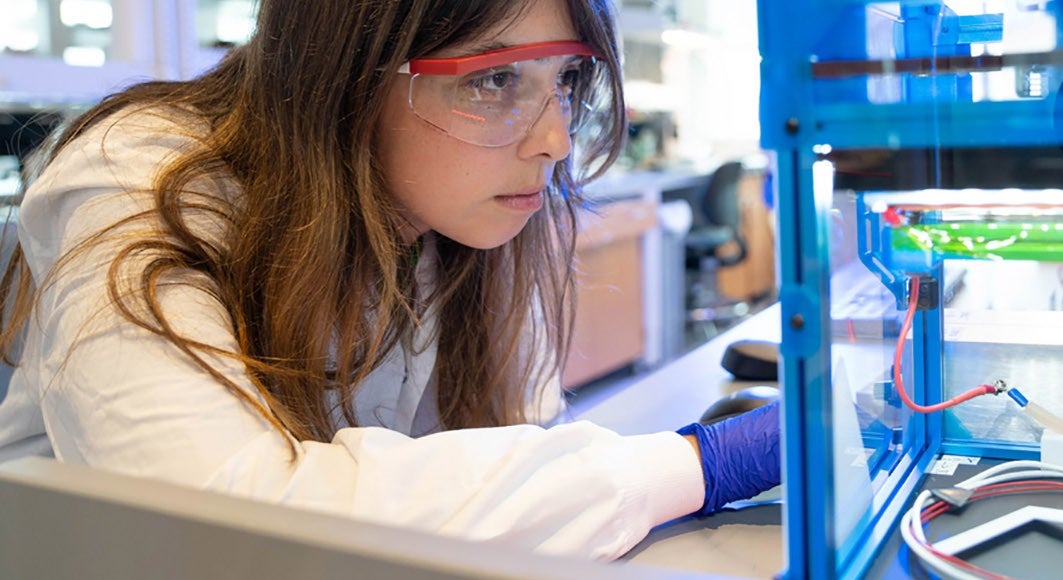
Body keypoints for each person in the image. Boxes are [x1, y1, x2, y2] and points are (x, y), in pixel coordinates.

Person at [0, 0, 779, 560]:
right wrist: (696, 466)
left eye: (567, 80)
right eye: (494, 79)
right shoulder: (138, 182)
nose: (554, 139)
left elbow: (505, 456)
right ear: (347, 72)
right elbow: (223, 523)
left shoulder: (449, 209)